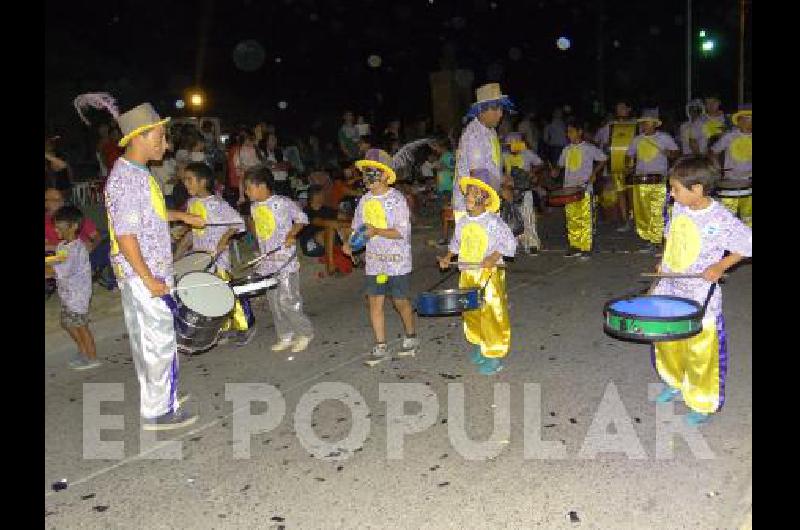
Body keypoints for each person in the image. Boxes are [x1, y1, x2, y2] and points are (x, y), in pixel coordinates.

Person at [76, 93, 206, 430]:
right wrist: (148, 278)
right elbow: (127, 235)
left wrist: (182, 217)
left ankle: (162, 397)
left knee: (152, 340)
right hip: (143, 274)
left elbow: (148, 218)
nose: (166, 141)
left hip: (146, 270)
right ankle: (159, 411)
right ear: (143, 136)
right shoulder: (126, 179)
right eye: (161, 135)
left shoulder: (136, 173)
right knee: (158, 340)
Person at [650, 156, 752, 425]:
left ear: (696, 189)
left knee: (700, 349)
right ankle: (674, 381)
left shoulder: (719, 217)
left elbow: (747, 242)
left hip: (700, 293)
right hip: (670, 287)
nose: (671, 193)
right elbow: (673, 236)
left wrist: (721, 265)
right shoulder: (679, 208)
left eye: (676, 189)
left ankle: (702, 400)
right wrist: (664, 260)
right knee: (668, 340)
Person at [342, 149, 419, 366]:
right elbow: (357, 229)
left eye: (374, 172)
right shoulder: (364, 201)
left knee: (400, 301)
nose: (368, 177)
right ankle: (381, 345)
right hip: (376, 263)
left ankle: (411, 335)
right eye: (366, 172)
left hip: (397, 262)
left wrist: (377, 231)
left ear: (386, 175)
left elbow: (401, 232)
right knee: (375, 302)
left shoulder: (396, 200)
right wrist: (350, 244)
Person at [437, 169, 517, 375]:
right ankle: (480, 343)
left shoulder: (493, 221)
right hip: (467, 273)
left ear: (486, 198)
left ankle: (494, 353)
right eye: (468, 193)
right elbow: (456, 244)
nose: (468, 197)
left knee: (491, 313)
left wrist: (492, 257)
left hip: (488, 275)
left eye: (473, 193)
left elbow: (509, 242)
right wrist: (448, 257)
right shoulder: (463, 221)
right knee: (471, 311)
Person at [175, 162, 256, 346]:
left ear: (203, 181)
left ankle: (246, 327)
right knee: (214, 295)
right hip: (201, 258)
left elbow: (237, 223)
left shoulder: (217, 203)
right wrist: (178, 253)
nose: (185, 184)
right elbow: (192, 232)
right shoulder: (192, 203)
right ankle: (226, 328)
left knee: (228, 292)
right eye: (184, 180)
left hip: (218, 259)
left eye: (189, 180)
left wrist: (223, 240)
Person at [244, 165, 314, 353]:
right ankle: (285, 335)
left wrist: (292, 234)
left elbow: (302, 218)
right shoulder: (254, 207)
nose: (246, 192)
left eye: (249, 187)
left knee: (288, 299)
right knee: (274, 301)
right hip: (268, 262)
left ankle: (305, 332)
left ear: (262, 186)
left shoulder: (283, 202)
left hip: (285, 259)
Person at [45, 205, 101, 370]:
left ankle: (92, 357)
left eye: (59, 226)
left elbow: (61, 270)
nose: (55, 229)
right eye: (55, 226)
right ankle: (83, 350)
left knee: (81, 327)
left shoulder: (77, 249)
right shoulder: (64, 245)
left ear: (73, 226)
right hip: (68, 295)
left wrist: (48, 269)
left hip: (78, 297)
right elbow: (58, 260)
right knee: (68, 323)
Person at [454, 83, 514, 224]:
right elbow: (478, 175)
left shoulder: (490, 131)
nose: (500, 114)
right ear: (481, 111)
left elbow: (490, 164)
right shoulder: (474, 135)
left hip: (487, 202)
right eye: (495, 109)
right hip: (473, 207)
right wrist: (501, 190)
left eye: (501, 109)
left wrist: (503, 178)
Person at [625, 109, 680, 253]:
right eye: (643, 123)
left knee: (657, 210)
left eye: (647, 122)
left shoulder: (664, 138)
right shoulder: (637, 140)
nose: (644, 125)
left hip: (659, 179)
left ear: (655, 124)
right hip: (640, 179)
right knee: (643, 212)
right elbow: (629, 156)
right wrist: (628, 165)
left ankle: (656, 241)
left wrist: (670, 153)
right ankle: (649, 239)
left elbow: (676, 153)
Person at [45, 183, 115, 289]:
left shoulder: (73, 215)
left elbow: (96, 236)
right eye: (54, 200)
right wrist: (69, 247)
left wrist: (92, 245)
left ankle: (110, 280)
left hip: (86, 255)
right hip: (60, 258)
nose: (59, 202)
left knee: (112, 240)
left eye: (60, 199)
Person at [555, 120, 607, 258]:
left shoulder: (589, 148)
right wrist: (555, 171)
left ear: (579, 132)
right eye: (568, 132)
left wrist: (594, 173)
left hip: (584, 187)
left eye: (571, 131)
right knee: (572, 218)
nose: (569, 134)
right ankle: (574, 245)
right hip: (568, 188)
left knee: (585, 218)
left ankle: (586, 247)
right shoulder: (566, 150)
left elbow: (603, 159)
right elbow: (560, 166)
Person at [594, 101, 637, 231]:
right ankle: (625, 221)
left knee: (633, 194)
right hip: (615, 166)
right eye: (618, 108)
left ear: (629, 110)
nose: (620, 110)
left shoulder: (636, 125)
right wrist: (606, 147)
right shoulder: (610, 126)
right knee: (621, 194)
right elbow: (599, 142)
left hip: (633, 166)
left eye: (623, 108)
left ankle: (637, 220)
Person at [710, 104, 752, 227]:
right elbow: (713, 152)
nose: (749, 122)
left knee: (748, 217)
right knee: (728, 218)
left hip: (750, 182)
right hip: (730, 183)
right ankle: (727, 244)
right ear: (739, 121)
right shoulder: (730, 136)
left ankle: (748, 242)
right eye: (746, 118)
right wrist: (717, 168)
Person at [503, 132, 545, 254]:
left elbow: (540, 164)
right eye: (509, 144)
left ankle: (532, 244)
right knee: (512, 217)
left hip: (525, 190)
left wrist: (532, 173)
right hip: (511, 191)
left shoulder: (527, 154)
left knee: (528, 216)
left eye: (512, 144)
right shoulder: (504, 155)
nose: (510, 146)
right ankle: (514, 243)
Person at [431, 137, 455, 245]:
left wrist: (442, 167)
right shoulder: (442, 156)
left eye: (436, 147)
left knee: (447, 213)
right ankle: (447, 236)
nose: (435, 150)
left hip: (447, 187)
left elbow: (454, 168)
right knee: (445, 213)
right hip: (443, 187)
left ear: (442, 147)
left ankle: (447, 238)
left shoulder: (449, 156)